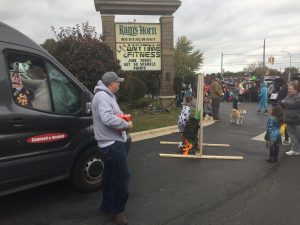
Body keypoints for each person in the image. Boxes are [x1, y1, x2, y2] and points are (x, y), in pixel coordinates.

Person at [92, 72, 133, 225]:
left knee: (109, 176)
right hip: (112, 144)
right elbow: (107, 118)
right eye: (118, 82)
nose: (119, 84)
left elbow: (113, 114)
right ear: (111, 84)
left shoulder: (107, 95)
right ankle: (118, 211)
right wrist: (126, 125)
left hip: (110, 142)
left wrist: (122, 117)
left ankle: (107, 206)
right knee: (124, 176)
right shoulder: (103, 97)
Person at [281, 80, 300, 156]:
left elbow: (296, 104)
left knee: (298, 135)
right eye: (289, 89)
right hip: (288, 119)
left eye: (291, 89)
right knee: (292, 135)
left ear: (296, 89)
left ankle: (298, 149)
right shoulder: (288, 95)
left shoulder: (299, 96)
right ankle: (294, 149)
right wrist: (285, 103)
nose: (289, 91)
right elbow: (286, 103)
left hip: (297, 119)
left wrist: (285, 103)